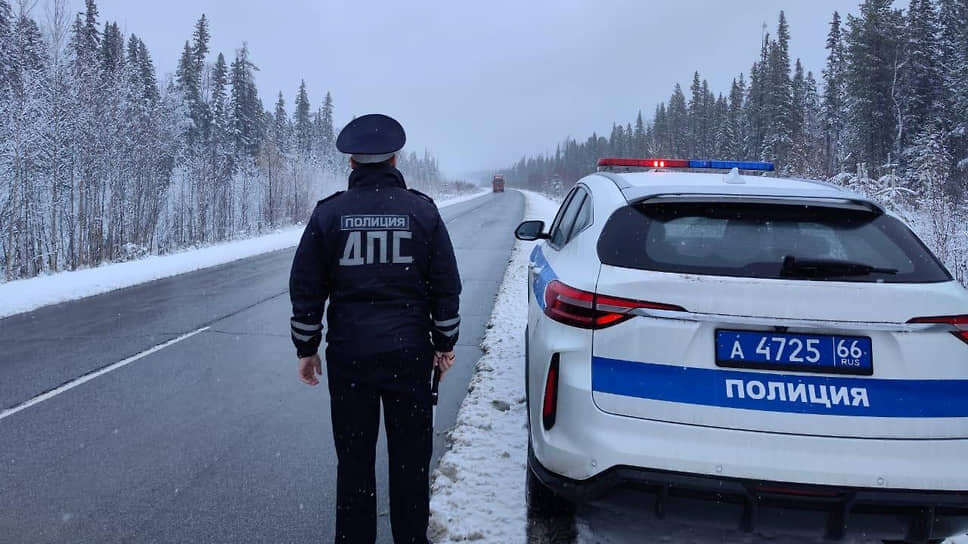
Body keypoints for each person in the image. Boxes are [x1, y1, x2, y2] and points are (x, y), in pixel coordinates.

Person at [288, 113, 462, 544]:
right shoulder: (422, 212)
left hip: (351, 362)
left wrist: (306, 348)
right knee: (410, 463)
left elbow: (306, 289)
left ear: (351, 164)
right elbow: (446, 287)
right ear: (395, 159)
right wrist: (444, 344)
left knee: (354, 465)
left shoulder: (329, 216)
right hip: (409, 358)